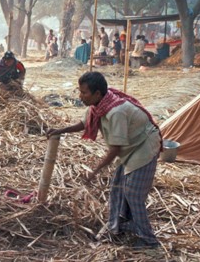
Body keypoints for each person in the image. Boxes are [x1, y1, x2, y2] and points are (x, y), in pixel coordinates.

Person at [46, 72, 161, 249]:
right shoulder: (98, 106)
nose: (80, 96)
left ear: (97, 94)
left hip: (144, 146)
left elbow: (115, 149)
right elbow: (83, 124)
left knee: (133, 194)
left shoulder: (116, 112)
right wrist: (60, 130)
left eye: (84, 93)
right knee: (117, 189)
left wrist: (95, 170)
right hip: (130, 147)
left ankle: (148, 240)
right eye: (80, 91)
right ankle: (119, 227)